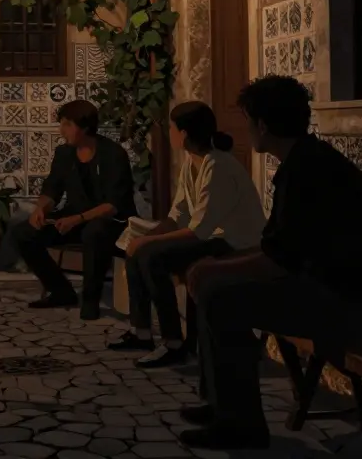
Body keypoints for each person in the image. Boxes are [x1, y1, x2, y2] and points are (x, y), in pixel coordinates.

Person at [178, 76, 362, 450]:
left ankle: (240, 424)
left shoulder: (307, 171)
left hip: (353, 305)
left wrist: (210, 269)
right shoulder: (303, 162)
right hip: (330, 289)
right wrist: (213, 269)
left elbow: (277, 262)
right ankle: (221, 405)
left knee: (221, 297)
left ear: (263, 125)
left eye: (249, 120)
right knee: (215, 286)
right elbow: (278, 247)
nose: (247, 129)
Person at [108, 101, 266, 368]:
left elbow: (199, 230)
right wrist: (143, 238)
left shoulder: (218, 166)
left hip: (233, 243)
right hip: (210, 239)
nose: (168, 133)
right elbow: (177, 215)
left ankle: (174, 343)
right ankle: (141, 332)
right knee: (137, 251)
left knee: (150, 256)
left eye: (171, 127)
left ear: (183, 133)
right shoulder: (190, 164)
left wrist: (148, 241)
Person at [9, 99, 137, 320]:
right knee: (24, 233)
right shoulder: (64, 154)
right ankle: (61, 291)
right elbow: (52, 190)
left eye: (67, 124)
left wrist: (78, 219)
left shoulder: (113, 154)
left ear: (85, 127)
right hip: (73, 217)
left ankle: (90, 300)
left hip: (111, 223)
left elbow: (113, 205)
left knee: (95, 232)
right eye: (62, 124)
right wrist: (41, 209)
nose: (62, 130)